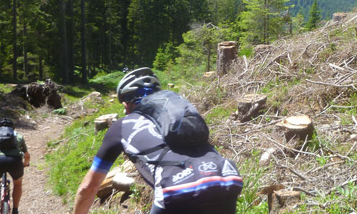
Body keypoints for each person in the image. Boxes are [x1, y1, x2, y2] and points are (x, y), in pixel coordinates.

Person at [73, 67, 242, 214]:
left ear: (127, 104)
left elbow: (89, 187)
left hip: (178, 188)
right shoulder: (177, 117)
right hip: (225, 177)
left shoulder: (122, 125)